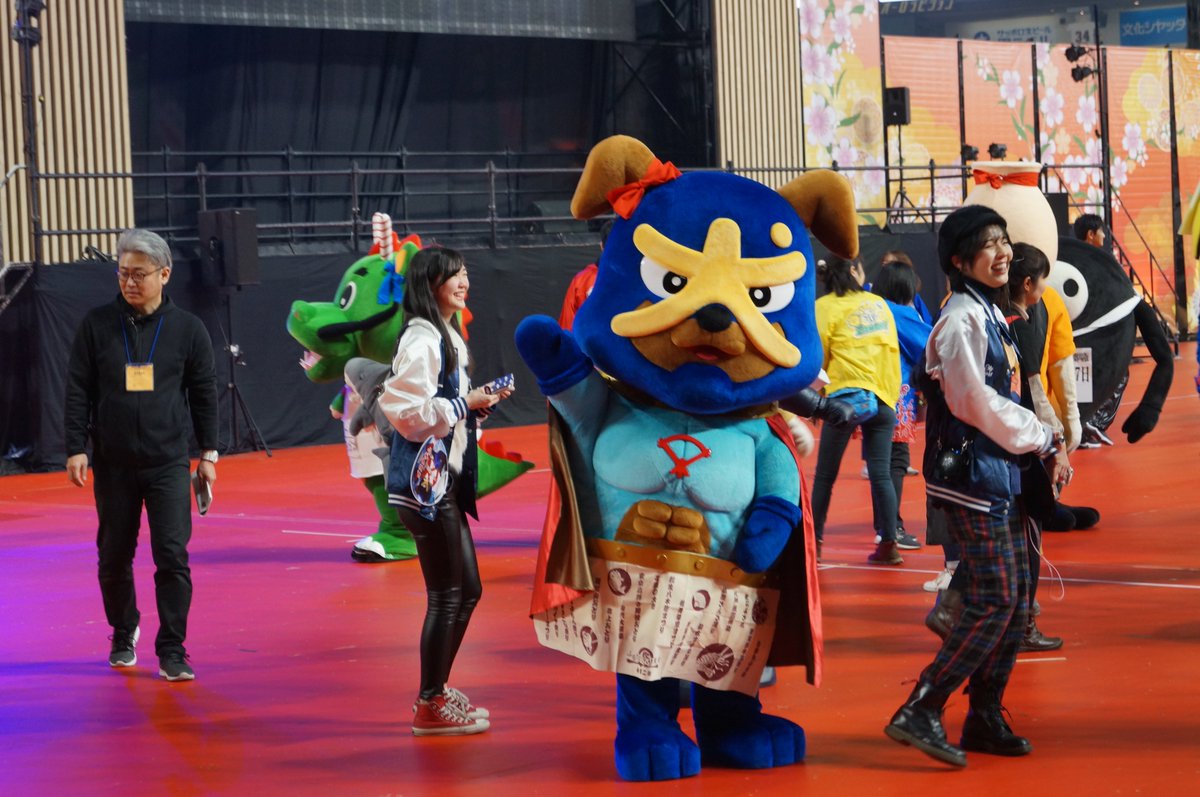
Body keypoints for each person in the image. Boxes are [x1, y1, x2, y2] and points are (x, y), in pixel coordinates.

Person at [885, 205, 1060, 767]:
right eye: (988, 243)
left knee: (1013, 599)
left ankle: (984, 715)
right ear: (960, 261)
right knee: (996, 599)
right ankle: (923, 705)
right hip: (971, 480)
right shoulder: (961, 318)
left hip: (998, 474)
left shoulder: (987, 311)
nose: (1003, 251)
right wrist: (1041, 436)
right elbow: (972, 401)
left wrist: (1041, 442)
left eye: (1004, 240)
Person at [64, 228, 219, 682]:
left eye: (139, 274)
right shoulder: (96, 325)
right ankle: (122, 629)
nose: (129, 282)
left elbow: (204, 394)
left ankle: (172, 647)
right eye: (123, 273)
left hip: (168, 462)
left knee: (171, 554)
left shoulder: (188, 329)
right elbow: (77, 389)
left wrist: (209, 454)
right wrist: (75, 447)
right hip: (113, 463)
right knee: (113, 556)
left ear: (164, 274)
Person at [379, 246, 512, 737]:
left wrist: (472, 406)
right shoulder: (423, 338)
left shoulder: (444, 334)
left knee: (467, 592)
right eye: (453, 275)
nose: (463, 281)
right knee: (447, 596)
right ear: (429, 284)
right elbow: (404, 412)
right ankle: (429, 702)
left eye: (465, 273)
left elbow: (438, 407)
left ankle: (435, 691)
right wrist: (462, 404)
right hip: (424, 489)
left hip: (443, 483)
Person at [810, 257, 903, 565]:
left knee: (825, 475)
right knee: (881, 474)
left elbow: (819, 356)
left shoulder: (823, 307)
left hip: (844, 399)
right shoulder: (878, 303)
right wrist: (890, 398)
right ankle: (889, 544)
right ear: (853, 271)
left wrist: (818, 401)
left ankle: (815, 543)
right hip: (882, 395)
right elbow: (891, 350)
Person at [1002, 242, 1067, 652]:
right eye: (1042, 282)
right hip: (1022, 449)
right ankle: (1022, 622)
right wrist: (1056, 444)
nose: (1044, 290)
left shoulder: (988, 315)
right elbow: (1033, 391)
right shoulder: (1018, 322)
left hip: (999, 446)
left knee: (1004, 537)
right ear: (1028, 283)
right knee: (1027, 536)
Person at [870, 262, 932, 552]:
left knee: (879, 464)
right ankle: (891, 527)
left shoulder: (870, 309)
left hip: (868, 394)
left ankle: (884, 526)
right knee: (895, 462)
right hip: (896, 396)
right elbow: (927, 347)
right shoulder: (901, 314)